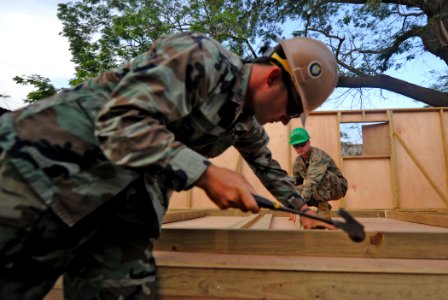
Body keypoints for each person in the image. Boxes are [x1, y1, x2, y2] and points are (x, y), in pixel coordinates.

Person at [0, 32, 338, 299]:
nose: (285, 122)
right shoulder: (202, 57)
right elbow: (122, 120)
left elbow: (268, 167)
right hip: (43, 174)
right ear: (273, 78)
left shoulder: (243, 122)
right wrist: (206, 173)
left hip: (121, 210)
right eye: (292, 110)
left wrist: (304, 211)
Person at [289, 127, 348, 222]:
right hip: (318, 188)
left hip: (337, 186)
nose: (299, 148)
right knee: (296, 190)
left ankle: (323, 211)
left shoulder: (318, 156)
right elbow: (295, 183)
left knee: (317, 178)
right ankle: (320, 207)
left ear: (309, 142)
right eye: (296, 146)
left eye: (302, 144)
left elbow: (313, 181)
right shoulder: (297, 162)